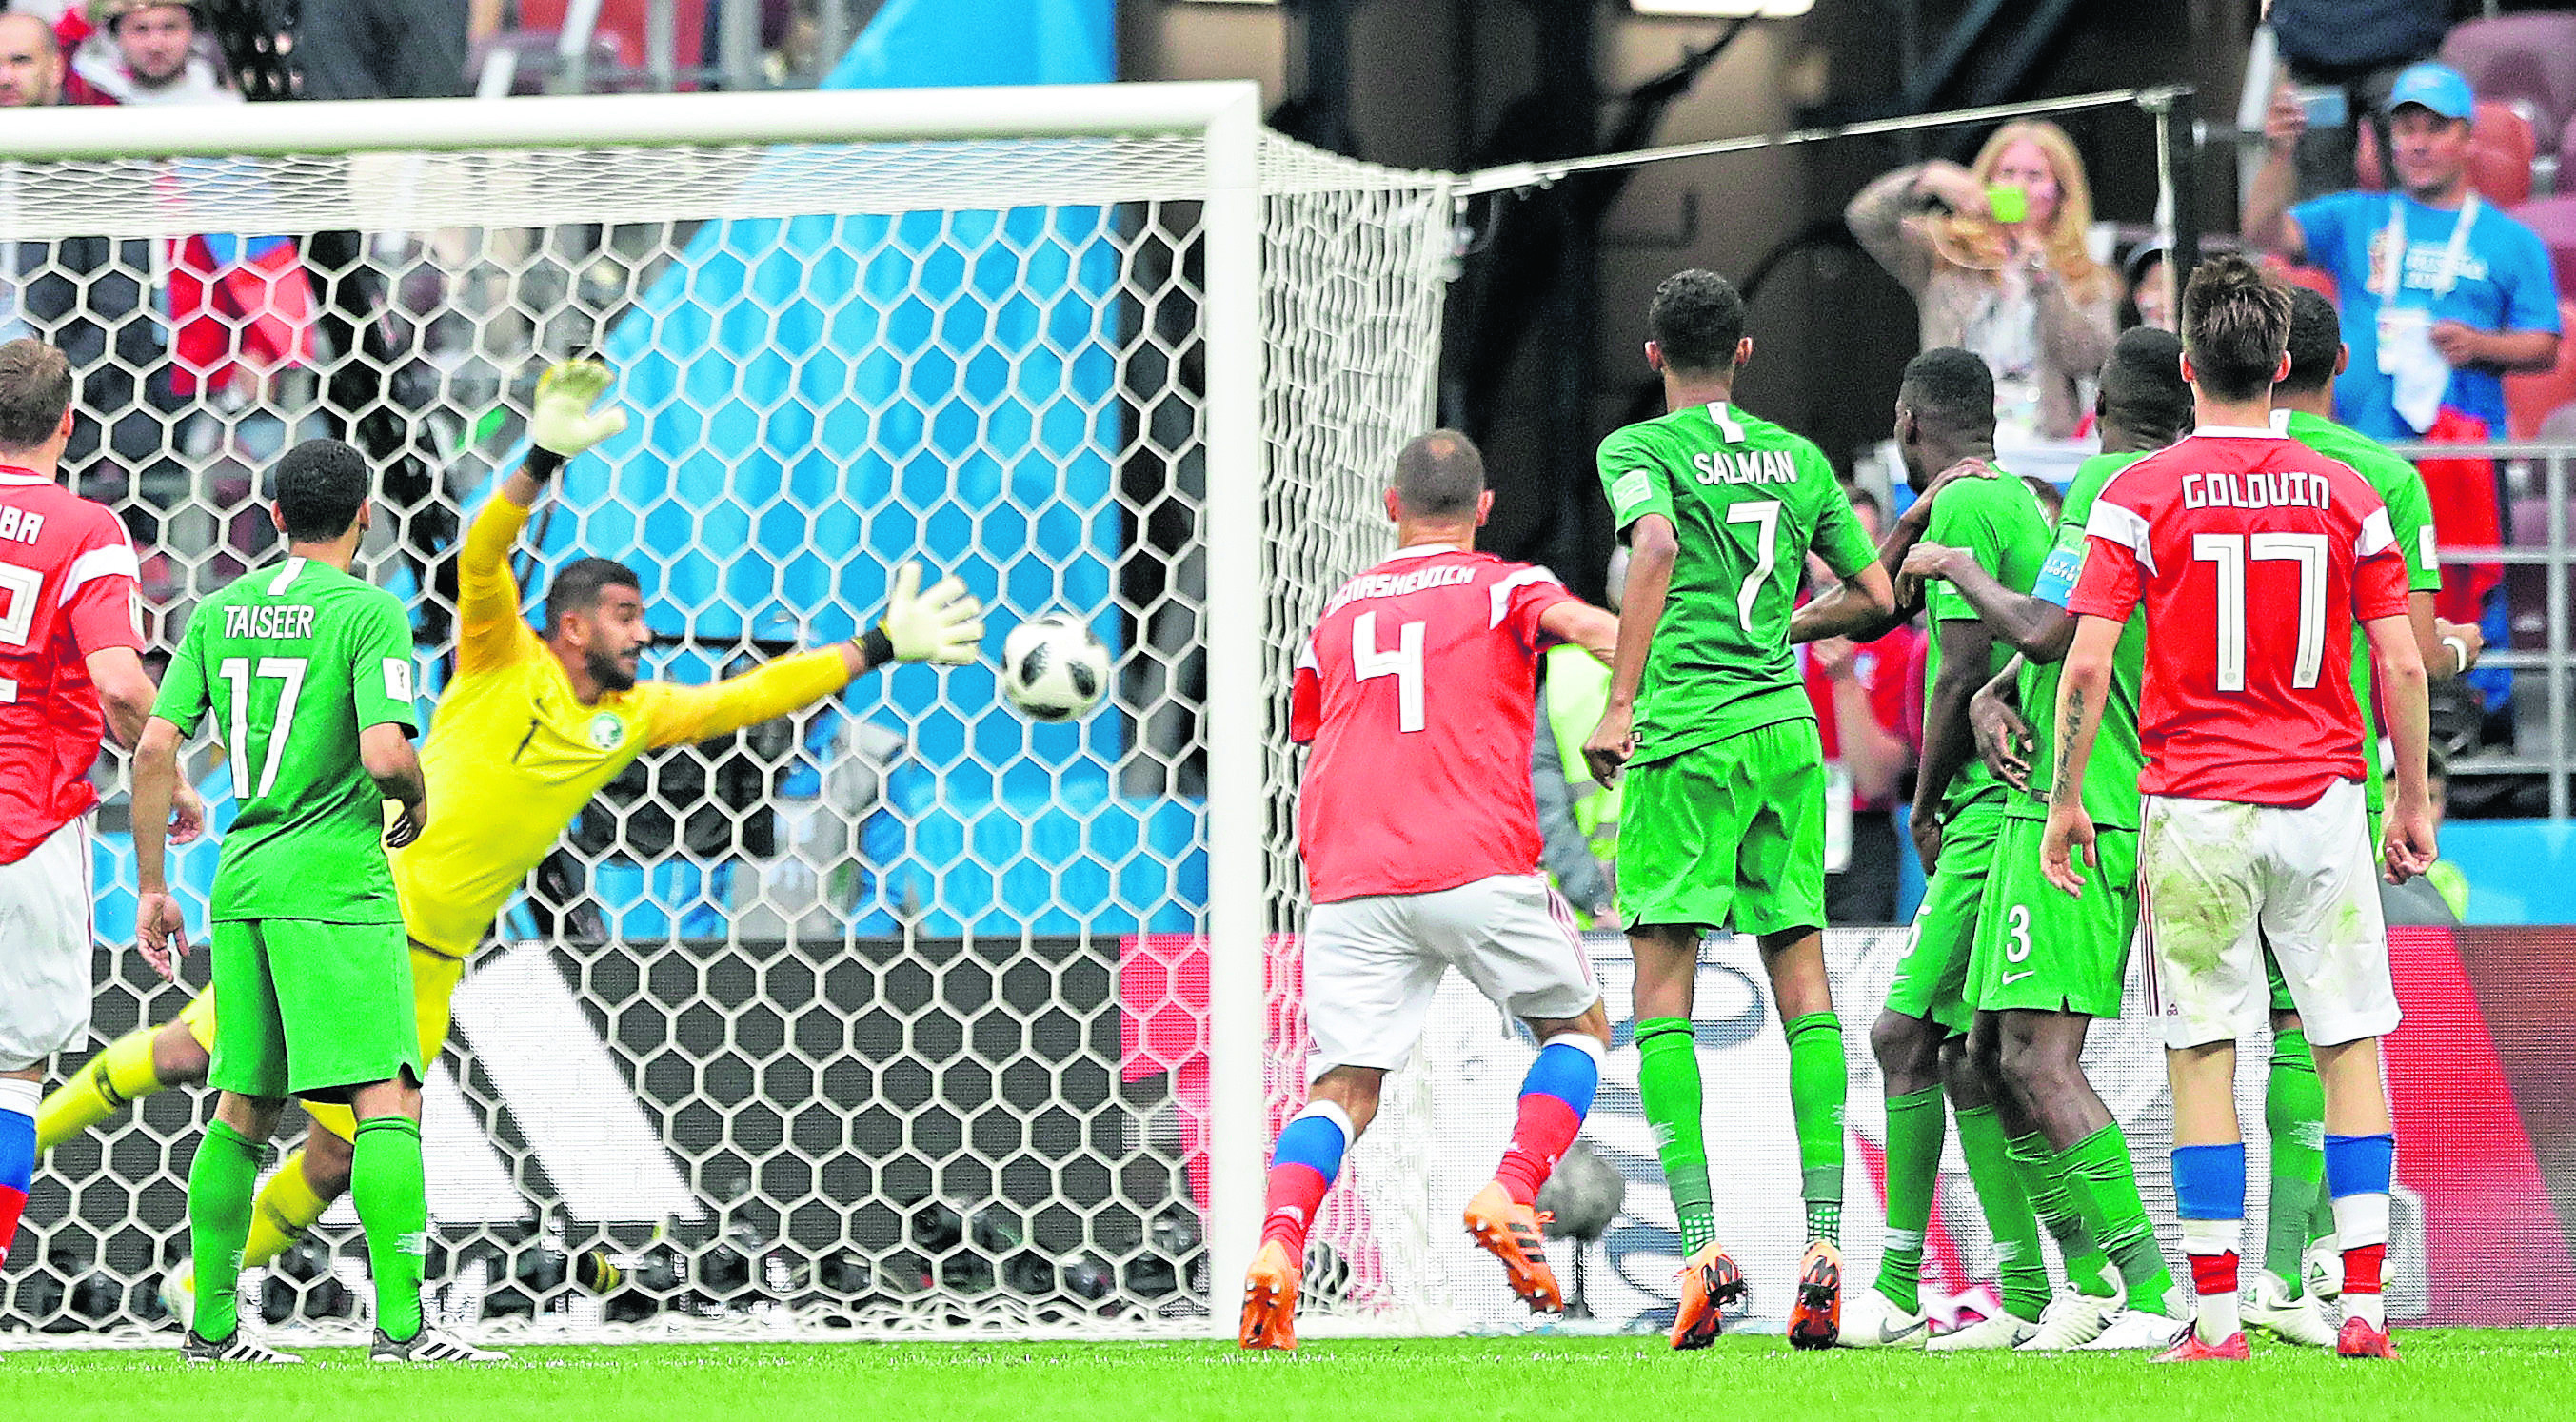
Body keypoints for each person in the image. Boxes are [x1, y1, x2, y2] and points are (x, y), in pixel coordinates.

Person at [39, 360, 988, 1322]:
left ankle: (192, 1287)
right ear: (571, 627)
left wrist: (873, 647)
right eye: (625, 617)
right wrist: (536, 459)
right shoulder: (501, 659)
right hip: (364, 908)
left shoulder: (633, 715)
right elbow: (480, 561)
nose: (644, 634)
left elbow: (747, 696)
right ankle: (33, 1149)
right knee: (199, 1063)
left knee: (328, 1152)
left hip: (436, 955)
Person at [2043, 255, 2433, 1363]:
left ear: (2186, 367)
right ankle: (2361, 1304)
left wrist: (2069, 802)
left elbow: (2085, 668)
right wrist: (2409, 798)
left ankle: (2216, 1320)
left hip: (2196, 814)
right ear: (2279, 365)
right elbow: (2400, 665)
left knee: (2204, 1055)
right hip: (2320, 802)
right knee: (2348, 1043)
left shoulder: (2136, 494)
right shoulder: (2348, 494)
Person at [1238, 430, 1620, 1352]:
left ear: (1387, 505)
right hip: (1478, 861)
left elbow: (1308, 720)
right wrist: (1637, 691)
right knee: (1578, 1032)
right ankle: (1512, 1189)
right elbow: (1598, 631)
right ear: (1483, 509)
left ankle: (1279, 1246)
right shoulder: (1509, 584)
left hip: (1351, 878)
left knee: (1344, 1084)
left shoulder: (1335, 612)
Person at [131, 436, 500, 1362]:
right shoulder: (370, 612)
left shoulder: (219, 612)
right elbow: (382, 751)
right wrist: (413, 794)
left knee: (243, 1106)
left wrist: (150, 884)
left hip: (243, 881)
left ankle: (212, 1328)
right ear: (366, 516)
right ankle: (407, 1330)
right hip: (336, 882)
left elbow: (150, 750)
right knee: (388, 1097)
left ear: (280, 519)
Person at [1583, 268, 1897, 1352]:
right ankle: (1822, 1243)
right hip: (1782, 740)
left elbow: (1657, 546)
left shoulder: (1639, 452)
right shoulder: (1799, 459)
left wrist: (1621, 702)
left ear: (1652, 352)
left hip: (1690, 737)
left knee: (1661, 997)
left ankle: (1705, 1249)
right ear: (1746, 353)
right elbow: (1877, 598)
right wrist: (1783, 634)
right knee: (1803, 985)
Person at [1896, 326, 2200, 1353]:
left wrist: (1947, 563)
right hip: (2099, 797)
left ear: (2103, 397)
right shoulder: (2174, 489)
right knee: (1985, 1053)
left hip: (2081, 803)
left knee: (2035, 1057)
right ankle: (2064, 1291)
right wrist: (1993, 692)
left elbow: (2042, 628)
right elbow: (2066, 640)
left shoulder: (2112, 482)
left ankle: (2153, 1291)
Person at [1797, 347, 2066, 1352]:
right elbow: (1887, 599)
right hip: (2009, 803)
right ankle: (2026, 1288)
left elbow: (1955, 678)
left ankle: (1916, 1284)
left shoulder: (1965, 515)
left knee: (1903, 1036)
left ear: (1910, 420)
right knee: (1961, 1055)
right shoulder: (1998, 504)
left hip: (1985, 810)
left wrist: (1921, 801)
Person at [0, 338, 201, 1274]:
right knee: (11, 1073)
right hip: (26, 829)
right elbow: (122, 687)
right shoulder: (84, 529)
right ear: (68, 424)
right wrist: (169, 767)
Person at [2243, 62, 2563, 442]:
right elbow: (2263, 231)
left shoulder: (2512, 239)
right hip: (2364, 448)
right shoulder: (2357, 214)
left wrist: (2479, 345)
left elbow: (2545, 345)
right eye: (2406, 129)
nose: (2419, 144)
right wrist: (2278, 154)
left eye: (2436, 129)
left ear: (2469, 138)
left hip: (2463, 456)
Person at [1846, 122, 2120, 443]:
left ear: (2061, 192)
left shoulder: (2086, 272)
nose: (2018, 187)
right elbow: (1865, 219)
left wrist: (2044, 277)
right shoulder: (1946, 250)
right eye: (2007, 173)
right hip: (1956, 442)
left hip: (2047, 445)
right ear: (1985, 181)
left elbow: (2090, 359)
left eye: (2035, 177)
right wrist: (1928, 178)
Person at [1802, 488, 1920, 926]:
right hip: (1781, 826)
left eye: (1857, 547)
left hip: (1860, 840)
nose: (1838, 565)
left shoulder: (1898, 647)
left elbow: (1876, 782)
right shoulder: (1772, 630)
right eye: (1829, 548)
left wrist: (1845, 680)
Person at [68, 1, 237, 107]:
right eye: (141, 29)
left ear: (193, 31)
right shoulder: (89, 101)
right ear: (116, 34)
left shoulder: (226, 112)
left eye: (170, 28)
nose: (156, 45)